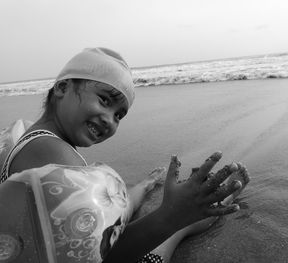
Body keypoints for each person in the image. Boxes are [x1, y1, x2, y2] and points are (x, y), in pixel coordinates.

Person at [0, 47, 249, 263]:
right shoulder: (54, 153)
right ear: (63, 87)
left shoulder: (34, 138)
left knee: (112, 207)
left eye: (119, 115)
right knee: (168, 236)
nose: (109, 120)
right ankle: (194, 215)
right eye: (104, 100)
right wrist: (174, 214)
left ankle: (146, 185)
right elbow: (104, 257)